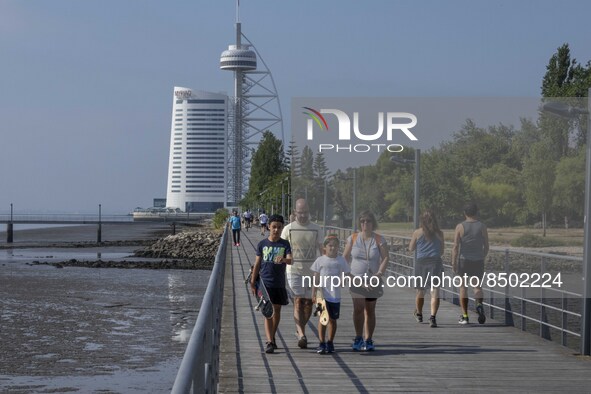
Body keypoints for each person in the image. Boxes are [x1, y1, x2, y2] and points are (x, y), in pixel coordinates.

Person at [281, 198, 324, 349]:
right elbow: (281, 248)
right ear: (295, 212)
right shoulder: (288, 229)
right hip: (294, 271)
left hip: (311, 272)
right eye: (300, 213)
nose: (303, 216)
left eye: (305, 212)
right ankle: (302, 334)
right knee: (298, 301)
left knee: (308, 304)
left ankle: (300, 329)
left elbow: (322, 248)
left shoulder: (316, 228)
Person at [343, 210, 388, 352]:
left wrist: (379, 273)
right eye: (362, 221)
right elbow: (344, 258)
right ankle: (358, 337)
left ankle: (368, 339)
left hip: (373, 280)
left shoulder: (379, 240)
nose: (365, 224)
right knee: (358, 308)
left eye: (368, 221)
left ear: (372, 223)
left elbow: (386, 258)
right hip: (356, 279)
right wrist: (349, 275)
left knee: (370, 310)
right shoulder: (353, 238)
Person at [250, 214, 293, 354]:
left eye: (279, 227)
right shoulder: (262, 244)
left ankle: (272, 336)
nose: (276, 230)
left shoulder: (285, 244)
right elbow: (257, 264)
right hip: (265, 283)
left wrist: (283, 260)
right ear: (268, 226)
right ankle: (269, 341)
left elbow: (291, 260)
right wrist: (253, 282)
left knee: (277, 311)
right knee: (268, 312)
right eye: (274, 227)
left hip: (279, 283)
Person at [311, 234, 351, 354]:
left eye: (335, 246)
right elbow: (315, 278)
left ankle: (330, 342)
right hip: (322, 295)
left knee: (333, 320)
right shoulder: (320, 260)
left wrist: (344, 280)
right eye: (330, 246)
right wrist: (313, 294)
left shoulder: (341, 260)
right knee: (323, 319)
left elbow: (346, 273)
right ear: (325, 247)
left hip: (335, 295)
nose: (332, 248)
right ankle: (322, 342)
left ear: (339, 247)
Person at [451, 202, 489, 325]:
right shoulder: (482, 226)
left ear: (464, 213)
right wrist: (481, 256)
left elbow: (455, 247)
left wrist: (453, 262)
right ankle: (479, 304)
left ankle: (465, 315)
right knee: (477, 286)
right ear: (476, 212)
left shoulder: (460, 227)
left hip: (464, 260)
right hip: (478, 261)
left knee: (463, 287)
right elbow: (486, 246)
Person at [409, 210, 444, 328]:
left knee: (420, 290)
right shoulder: (440, 233)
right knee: (435, 291)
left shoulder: (417, 232)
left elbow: (411, 248)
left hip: (421, 263)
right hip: (435, 263)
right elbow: (442, 251)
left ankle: (419, 314)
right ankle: (433, 317)